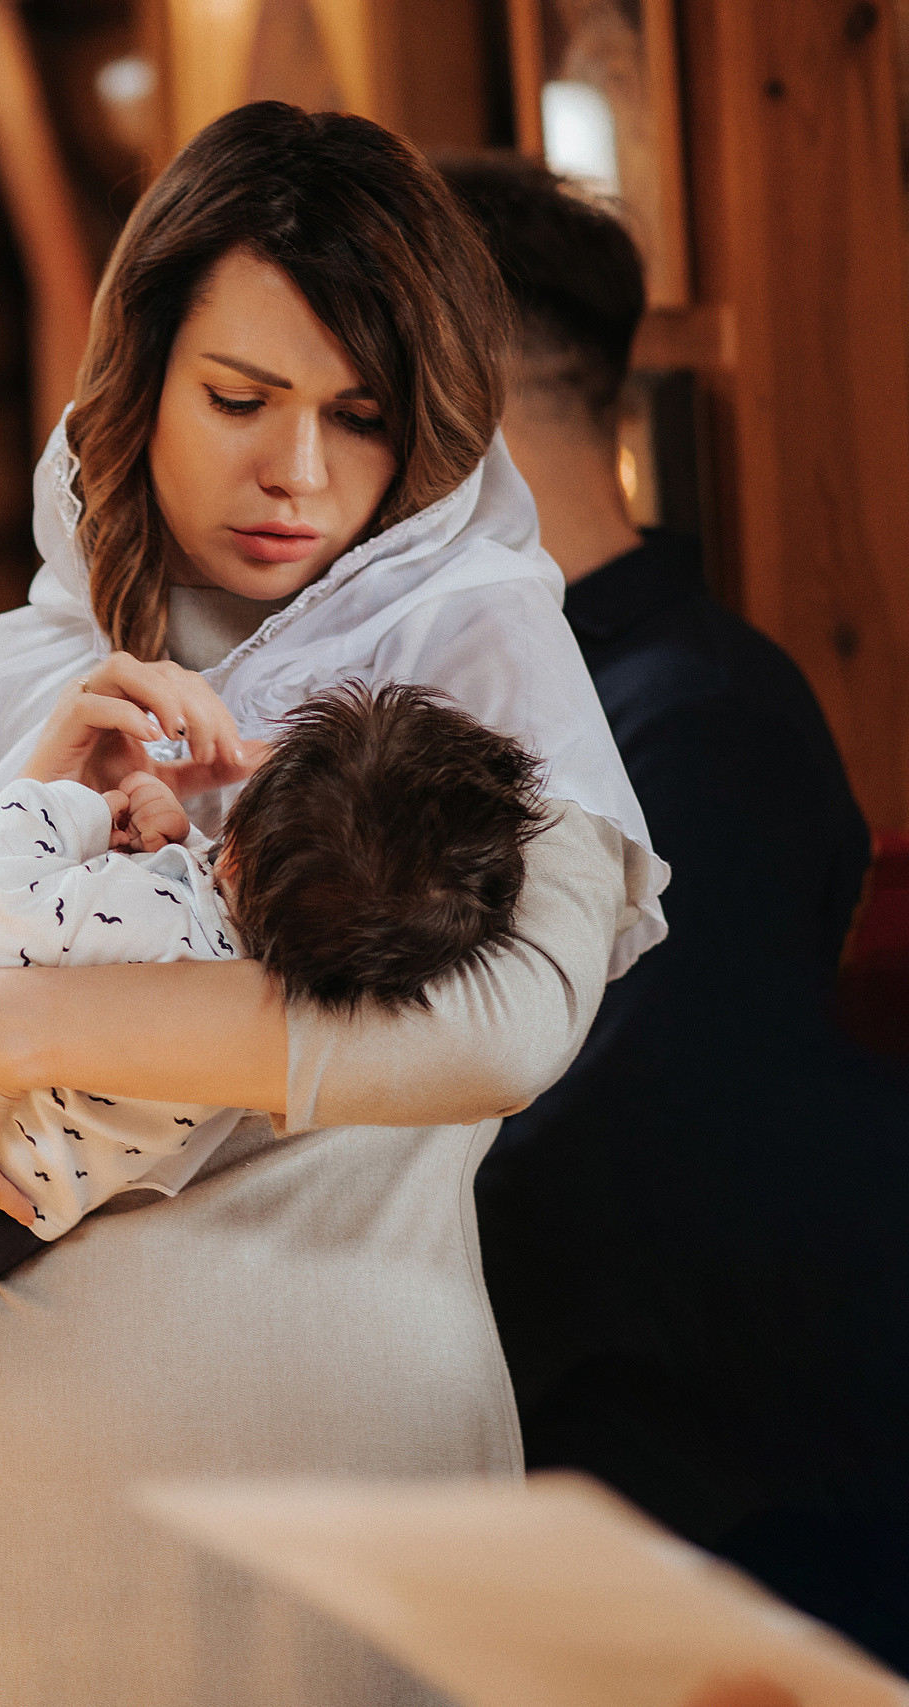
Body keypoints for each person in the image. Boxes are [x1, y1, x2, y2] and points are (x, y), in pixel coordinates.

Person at [0, 103, 666, 1704]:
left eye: (359, 417)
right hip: (28, 1534)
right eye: (239, 398)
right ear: (132, 381)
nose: (299, 472)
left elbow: (502, 1025)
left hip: (371, 1503)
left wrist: (24, 1024)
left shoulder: (474, 659)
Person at [442, 155, 909, 1668]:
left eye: (365, 403)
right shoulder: (544, 700)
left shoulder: (695, 721)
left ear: (463, 402)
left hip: (728, 1527)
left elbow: (607, 1166)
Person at [0, 678, 551, 1439]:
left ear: (240, 840)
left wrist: (67, 808)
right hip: (14, 1221)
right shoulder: (250, 1004)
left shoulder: (155, 917)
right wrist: (167, 845)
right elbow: (155, 934)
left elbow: (0, 906)